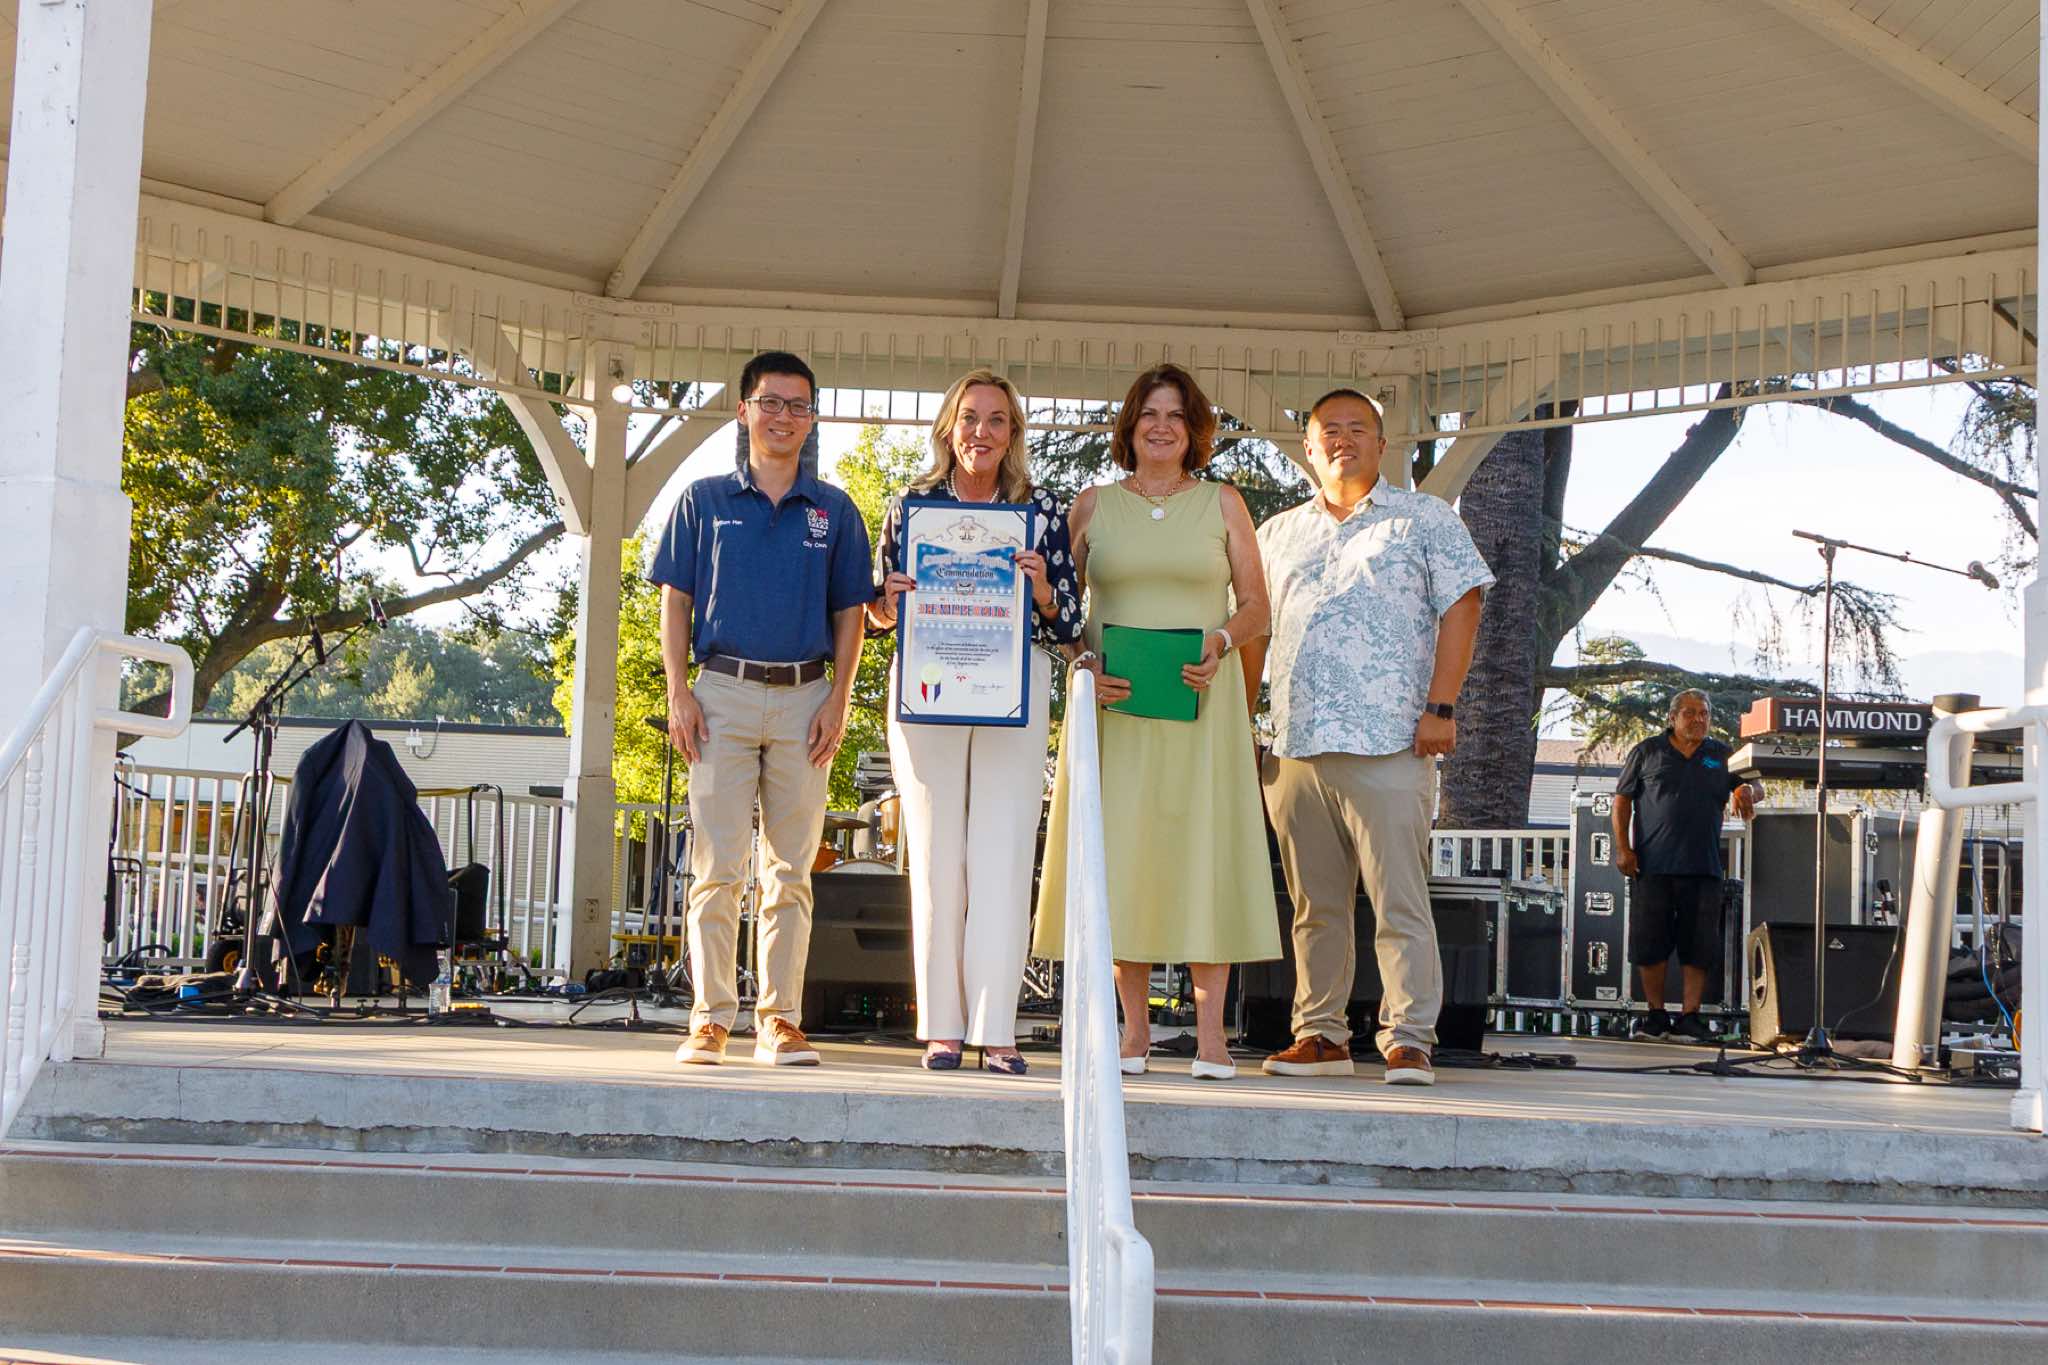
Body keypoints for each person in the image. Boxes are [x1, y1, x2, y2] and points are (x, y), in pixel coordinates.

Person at [1033, 363, 1278, 1081]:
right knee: (1124, 858)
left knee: (1205, 854)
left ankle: (1212, 1037)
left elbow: (1257, 606)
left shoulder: (1223, 502)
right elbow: (1058, 608)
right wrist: (1082, 660)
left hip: (1203, 708)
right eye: (1149, 413)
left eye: (1175, 414)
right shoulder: (1093, 506)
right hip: (1115, 712)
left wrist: (1222, 641)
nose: (1162, 426)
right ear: (1130, 426)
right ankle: (1132, 1033)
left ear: (1194, 428)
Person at [1249, 389, 1492, 1087]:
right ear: (1308, 448)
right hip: (1295, 745)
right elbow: (1254, 628)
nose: (1343, 439)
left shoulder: (1424, 518)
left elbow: (1464, 604)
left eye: (1358, 428)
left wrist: (1441, 705)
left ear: (1383, 446)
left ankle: (1409, 1037)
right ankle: (1320, 1033)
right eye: (1329, 429)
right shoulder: (1277, 534)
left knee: (1399, 899)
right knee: (1313, 907)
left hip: (1391, 740)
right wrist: (1242, 723)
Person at [651, 351, 874, 1068]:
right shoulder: (703, 500)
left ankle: (780, 1021)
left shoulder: (835, 510)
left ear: (812, 419)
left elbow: (851, 612)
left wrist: (839, 697)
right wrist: (678, 691)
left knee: (790, 871)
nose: (784, 416)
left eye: (798, 405)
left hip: (808, 696)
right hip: (721, 692)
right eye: (771, 402)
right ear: (744, 410)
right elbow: (675, 601)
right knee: (716, 867)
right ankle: (710, 1019)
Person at [866, 369, 1080, 1075]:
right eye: (969, 418)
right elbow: (874, 613)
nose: (981, 432)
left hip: (1012, 685)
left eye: (996, 419)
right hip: (928, 686)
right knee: (935, 857)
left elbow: (1068, 621)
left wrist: (1042, 588)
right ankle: (942, 1027)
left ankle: (998, 1029)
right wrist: (888, 603)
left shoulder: (1040, 510)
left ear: (1012, 433)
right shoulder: (911, 505)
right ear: (949, 428)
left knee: (1006, 853)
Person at [1612, 689, 1759, 1043]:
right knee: (1650, 943)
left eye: (1704, 713)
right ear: (1672, 717)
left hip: (1704, 867)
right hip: (1652, 866)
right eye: (1690, 713)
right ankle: (1656, 1016)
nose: (1698, 719)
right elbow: (1622, 801)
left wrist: (1746, 792)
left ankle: (1690, 1017)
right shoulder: (1647, 752)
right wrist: (1623, 848)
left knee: (1699, 946)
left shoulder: (1722, 754)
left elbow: (1756, 785)